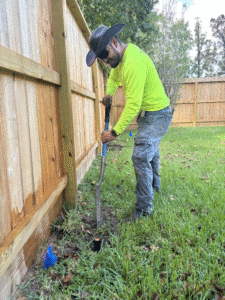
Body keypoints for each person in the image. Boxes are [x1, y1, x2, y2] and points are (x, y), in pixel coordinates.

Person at [86, 24, 173, 222]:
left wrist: (113, 133)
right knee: (151, 152)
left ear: (114, 42)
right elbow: (114, 76)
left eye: (105, 54)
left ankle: (143, 210)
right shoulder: (121, 60)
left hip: (158, 114)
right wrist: (109, 92)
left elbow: (132, 104)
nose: (106, 61)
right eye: (102, 59)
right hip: (150, 113)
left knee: (141, 156)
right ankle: (154, 187)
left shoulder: (133, 62)